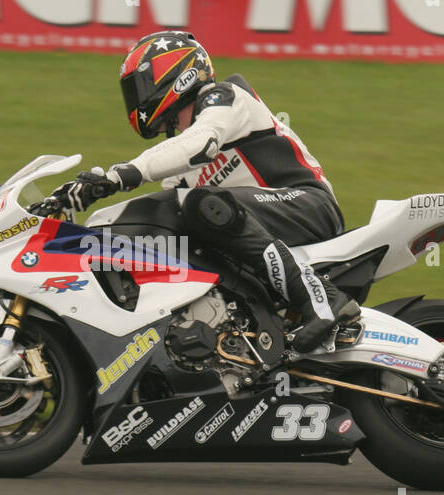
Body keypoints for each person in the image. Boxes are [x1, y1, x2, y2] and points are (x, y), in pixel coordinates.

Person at [51, 30, 359, 354]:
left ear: (175, 71)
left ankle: (324, 300)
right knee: (162, 225)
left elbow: (202, 142)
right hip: (259, 227)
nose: (136, 97)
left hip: (306, 205)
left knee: (201, 203)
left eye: (140, 85)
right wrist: (85, 226)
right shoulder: (182, 153)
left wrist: (119, 176)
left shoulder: (224, 97)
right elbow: (159, 208)